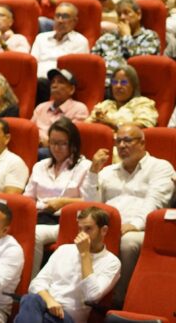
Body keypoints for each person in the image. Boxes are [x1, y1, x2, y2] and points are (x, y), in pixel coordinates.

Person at [91, 123, 175, 306]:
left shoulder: (160, 167)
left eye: (127, 140)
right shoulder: (107, 171)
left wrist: (134, 225)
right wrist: (92, 173)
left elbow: (156, 203)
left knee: (128, 242)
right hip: (109, 226)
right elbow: (92, 204)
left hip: (142, 229)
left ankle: (118, 300)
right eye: (118, 141)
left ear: (142, 143)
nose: (121, 146)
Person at [15, 207, 121, 323]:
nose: (82, 234)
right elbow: (36, 283)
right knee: (30, 299)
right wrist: (50, 301)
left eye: (88, 229)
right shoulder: (63, 250)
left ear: (104, 230)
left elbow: (91, 296)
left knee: (25, 312)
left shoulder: (111, 262)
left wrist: (85, 254)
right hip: (45, 306)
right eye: (80, 229)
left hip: (68, 317)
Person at [24, 118, 96, 279]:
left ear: (73, 144)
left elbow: (91, 202)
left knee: (34, 234)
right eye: (53, 143)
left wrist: (63, 202)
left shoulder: (85, 167)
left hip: (65, 221)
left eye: (62, 143)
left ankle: (31, 282)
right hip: (38, 215)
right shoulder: (40, 165)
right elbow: (28, 198)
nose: (56, 148)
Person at [31, 2, 90, 103]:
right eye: (57, 16)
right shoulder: (41, 38)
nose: (60, 20)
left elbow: (75, 73)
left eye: (65, 17)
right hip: (34, 81)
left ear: (75, 21)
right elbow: (32, 63)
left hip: (57, 83)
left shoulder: (80, 41)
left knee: (41, 83)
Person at [92, 0, 159, 84]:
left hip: (130, 86)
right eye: (119, 14)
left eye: (126, 13)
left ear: (138, 15)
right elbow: (93, 63)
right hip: (103, 84)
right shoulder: (107, 37)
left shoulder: (149, 36)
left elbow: (141, 63)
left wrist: (127, 37)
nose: (122, 17)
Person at [31, 69, 90, 158]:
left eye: (60, 82)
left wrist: (49, 142)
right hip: (35, 145)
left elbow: (70, 137)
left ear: (71, 89)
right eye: (53, 82)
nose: (54, 85)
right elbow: (30, 130)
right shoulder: (41, 107)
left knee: (39, 153)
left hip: (59, 151)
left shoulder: (79, 109)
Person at [86, 65, 158, 129]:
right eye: (114, 82)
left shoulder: (142, 103)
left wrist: (112, 123)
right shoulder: (105, 104)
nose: (118, 86)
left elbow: (143, 125)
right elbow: (87, 124)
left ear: (133, 86)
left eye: (123, 82)